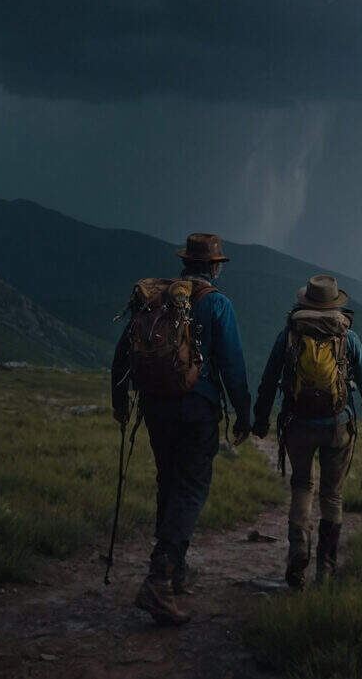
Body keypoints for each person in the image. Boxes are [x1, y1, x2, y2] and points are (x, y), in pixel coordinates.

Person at [111, 232, 252, 625]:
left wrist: (119, 401)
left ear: (186, 262)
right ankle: (160, 578)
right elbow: (233, 366)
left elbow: (123, 351)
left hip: (155, 407)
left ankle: (175, 572)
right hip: (198, 410)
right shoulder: (217, 304)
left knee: (168, 483)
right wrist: (245, 414)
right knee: (191, 489)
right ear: (214, 266)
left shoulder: (155, 298)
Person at [252, 274, 362, 589]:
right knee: (332, 495)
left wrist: (261, 419)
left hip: (298, 425)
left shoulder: (290, 334)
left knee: (301, 486)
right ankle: (325, 567)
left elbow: (269, 379)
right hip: (337, 426)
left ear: (307, 300)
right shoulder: (348, 336)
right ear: (335, 302)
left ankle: (298, 552)